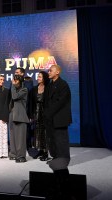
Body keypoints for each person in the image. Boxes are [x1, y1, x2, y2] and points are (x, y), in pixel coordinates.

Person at [43, 64, 73, 199]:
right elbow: (45, 103)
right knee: (54, 152)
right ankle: (57, 184)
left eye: (51, 70)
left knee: (61, 152)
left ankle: (65, 187)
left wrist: (47, 113)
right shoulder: (49, 86)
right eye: (48, 70)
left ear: (58, 72)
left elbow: (59, 103)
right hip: (50, 123)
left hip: (59, 122)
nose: (48, 72)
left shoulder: (63, 85)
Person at [9, 70, 30, 163]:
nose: (14, 82)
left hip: (20, 116)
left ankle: (21, 156)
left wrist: (12, 86)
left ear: (20, 82)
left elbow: (14, 97)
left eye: (16, 81)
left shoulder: (24, 90)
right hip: (12, 115)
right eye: (14, 80)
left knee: (20, 138)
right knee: (12, 136)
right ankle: (13, 154)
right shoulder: (14, 89)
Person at [29, 71, 50, 161]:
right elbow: (30, 103)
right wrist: (31, 115)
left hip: (45, 114)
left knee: (45, 133)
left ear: (44, 78)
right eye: (38, 76)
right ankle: (40, 150)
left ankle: (46, 152)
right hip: (36, 114)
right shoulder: (34, 89)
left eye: (40, 77)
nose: (38, 78)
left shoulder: (49, 88)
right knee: (37, 133)